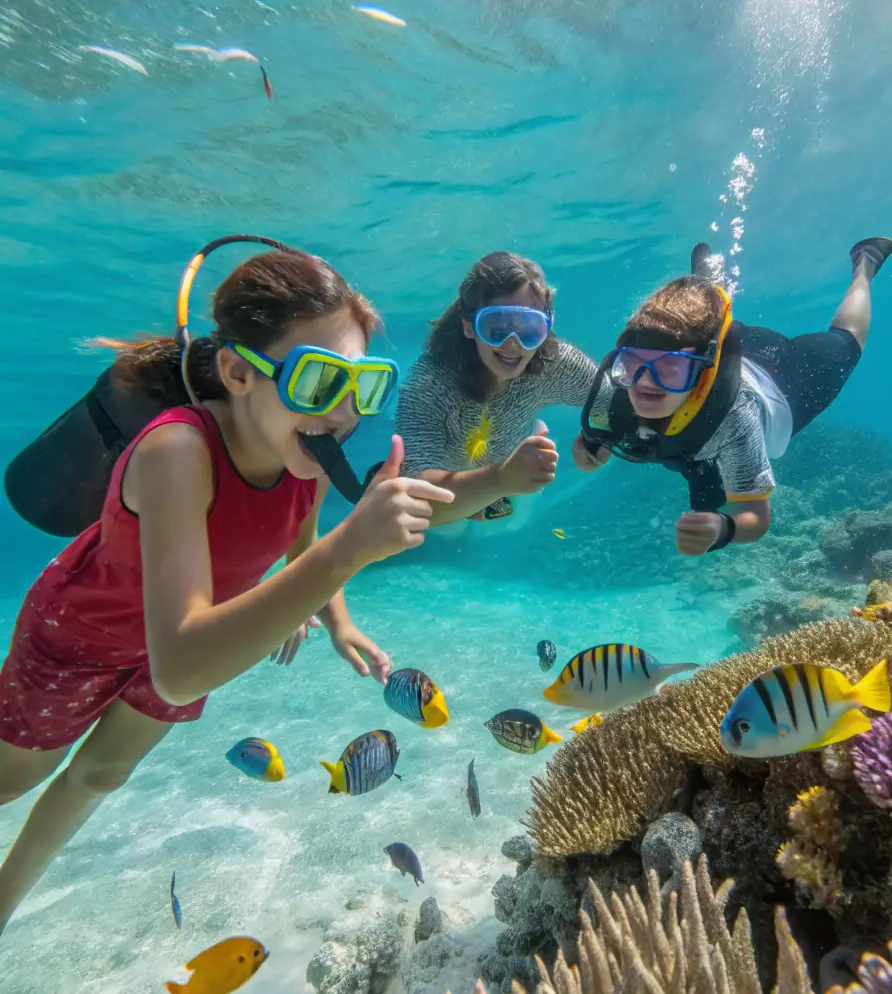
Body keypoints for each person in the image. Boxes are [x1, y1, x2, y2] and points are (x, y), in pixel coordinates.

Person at [0, 246, 453, 934]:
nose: (344, 411)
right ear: (239, 372)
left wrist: (335, 617)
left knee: (99, 777)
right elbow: (180, 669)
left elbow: (300, 541)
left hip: (203, 631)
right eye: (319, 380)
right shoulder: (175, 450)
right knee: (13, 777)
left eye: (363, 385)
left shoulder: (306, 455)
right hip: (84, 633)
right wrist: (349, 548)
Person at [573, 237, 892, 555]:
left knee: (846, 341)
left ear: (702, 370)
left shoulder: (735, 419)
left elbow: (756, 514)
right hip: (720, 348)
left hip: (786, 383)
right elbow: (596, 440)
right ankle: (707, 288)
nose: (646, 380)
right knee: (711, 326)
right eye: (634, 362)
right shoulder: (615, 387)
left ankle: (864, 266)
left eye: (670, 368)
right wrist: (589, 452)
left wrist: (723, 529)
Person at [394, 251, 608, 524]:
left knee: (512, 523)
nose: (513, 343)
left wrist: (596, 436)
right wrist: (500, 480)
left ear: (546, 327)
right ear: (469, 326)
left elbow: (615, 402)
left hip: (510, 485)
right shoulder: (430, 383)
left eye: (529, 328)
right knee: (447, 534)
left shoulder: (553, 364)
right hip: (453, 492)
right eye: (496, 327)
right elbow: (415, 500)